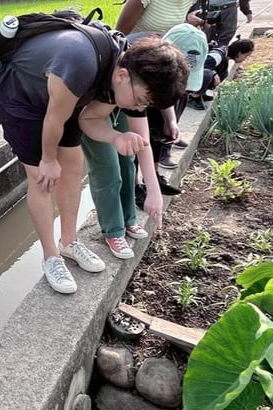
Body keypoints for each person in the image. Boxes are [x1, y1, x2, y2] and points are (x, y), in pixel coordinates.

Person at [0, 29, 188, 294]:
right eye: (141, 101)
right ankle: (51, 256)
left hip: (63, 98)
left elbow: (90, 119)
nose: (139, 109)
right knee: (42, 177)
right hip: (23, 98)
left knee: (73, 164)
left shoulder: (118, 70)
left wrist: (116, 137)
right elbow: (53, 118)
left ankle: (68, 241)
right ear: (123, 77)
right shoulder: (81, 64)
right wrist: (48, 159)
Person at [115, 0, 221, 194]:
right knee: (140, 134)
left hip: (167, 74)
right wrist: (152, 41)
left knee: (162, 130)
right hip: (140, 78)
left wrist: (186, 22)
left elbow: (171, 27)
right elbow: (117, 37)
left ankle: (153, 177)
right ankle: (136, 186)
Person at [80, 33, 197, 259]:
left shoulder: (140, 93)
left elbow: (142, 143)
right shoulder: (132, 79)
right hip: (93, 115)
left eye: (147, 103)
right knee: (108, 169)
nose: (143, 106)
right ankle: (113, 230)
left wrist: (154, 191)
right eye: (143, 101)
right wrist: (114, 136)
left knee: (128, 161)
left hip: (120, 102)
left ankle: (128, 220)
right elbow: (88, 117)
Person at [188, 37, 255, 110]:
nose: (245, 59)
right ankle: (192, 97)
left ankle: (201, 93)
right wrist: (214, 74)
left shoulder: (225, 55)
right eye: (246, 56)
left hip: (192, 79)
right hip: (187, 80)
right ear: (239, 53)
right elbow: (203, 65)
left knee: (223, 73)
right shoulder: (218, 55)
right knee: (207, 73)